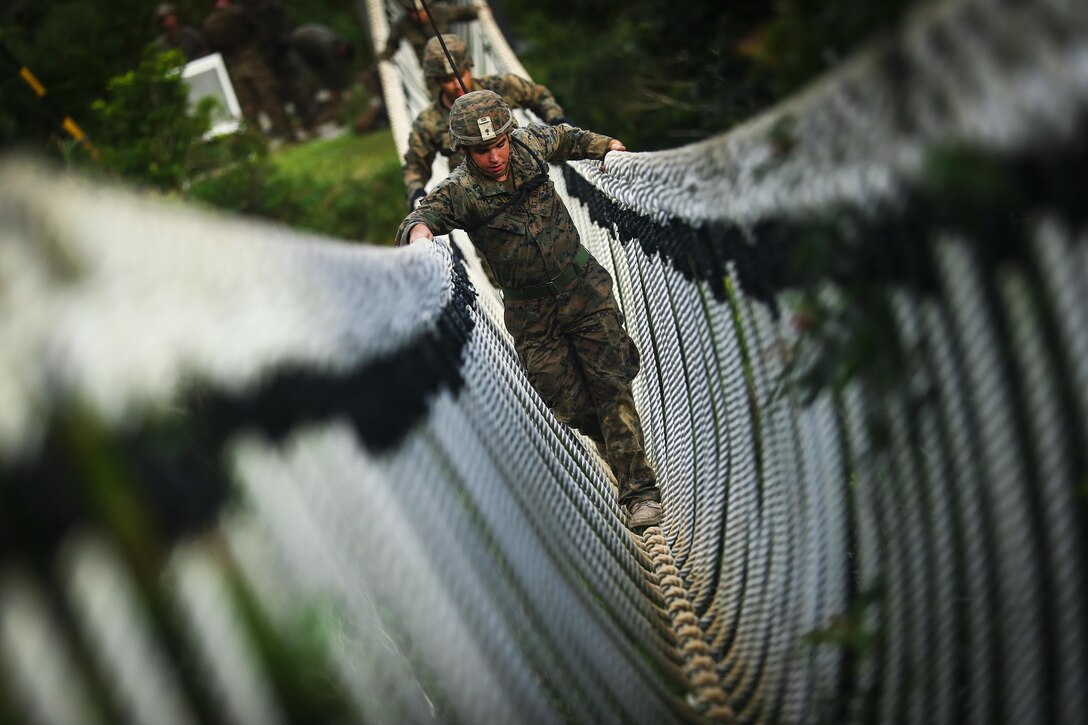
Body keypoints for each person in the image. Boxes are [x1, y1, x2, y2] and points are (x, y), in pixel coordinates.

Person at [397, 90, 664, 529]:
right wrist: (421, 235)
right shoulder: (461, 190)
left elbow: (566, 138)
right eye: (482, 150)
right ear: (465, 150)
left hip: (583, 289)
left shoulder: (529, 145)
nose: (496, 155)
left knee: (610, 384)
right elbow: (419, 217)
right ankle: (620, 452)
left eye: (499, 143)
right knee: (572, 405)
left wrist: (606, 147)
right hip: (532, 315)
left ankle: (639, 491)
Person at [402, 33, 570, 210]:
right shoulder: (429, 121)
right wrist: (416, 192)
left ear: (470, 66)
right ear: (436, 81)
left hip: (528, 186)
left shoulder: (500, 87)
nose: (456, 84)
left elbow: (538, 97)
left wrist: (556, 119)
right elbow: (415, 166)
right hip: (483, 207)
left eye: (461, 74)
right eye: (446, 80)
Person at [203, 0, 295, 141]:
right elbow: (257, 29)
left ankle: (256, 141)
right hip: (251, 58)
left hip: (234, 63)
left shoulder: (210, 23)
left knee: (247, 106)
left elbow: (213, 47)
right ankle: (285, 133)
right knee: (269, 96)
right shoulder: (239, 11)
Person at [378, 0, 479, 63]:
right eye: (415, 12)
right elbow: (392, 45)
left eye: (423, 10)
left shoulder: (440, 13)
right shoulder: (403, 25)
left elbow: (462, 13)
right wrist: (383, 61)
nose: (420, 14)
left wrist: (478, 11)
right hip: (430, 68)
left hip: (454, 58)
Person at [292, 23, 355, 120]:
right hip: (300, 44)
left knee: (324, 74)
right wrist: (338, 87)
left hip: (307, 40)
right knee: (311, 76)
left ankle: (328, 100)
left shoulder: (335, 41)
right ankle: (313, 113)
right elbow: (332, 69)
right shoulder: (326, 46)